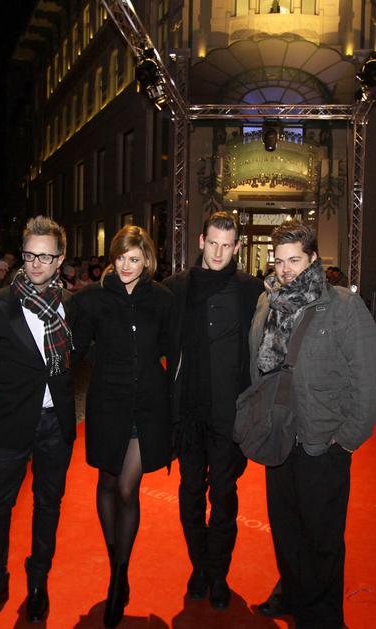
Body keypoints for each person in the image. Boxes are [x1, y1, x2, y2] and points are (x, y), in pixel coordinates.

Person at [249, 221, 376, 628]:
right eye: (280, 261)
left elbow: (367, 379)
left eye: (295, 260)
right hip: (279, 436)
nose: (286, 270)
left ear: (313, 259)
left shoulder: (342, 306)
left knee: (322, 537)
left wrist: (348, 439)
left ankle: (322, 618)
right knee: (286, 528)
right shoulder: (267, 302)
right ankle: (291, 593)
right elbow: (257, 366)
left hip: (323, 441)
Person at [0, 216, 76, 626]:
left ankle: (38, 583)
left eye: (45, 256)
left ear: (60, 259)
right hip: (7, 425)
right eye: (30, 255)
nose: (36, 264)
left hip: (55, 425)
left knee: (48, 506)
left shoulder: (71, 306)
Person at [72, 225, 173, 628]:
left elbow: (170, 347)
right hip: (107, 403)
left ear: (147, 259)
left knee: (128, 488)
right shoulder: (92, 299)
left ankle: (118, 577)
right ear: (112, 260)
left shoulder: (161, 299)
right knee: (107, 482)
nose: (127, 266)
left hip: (147, 404)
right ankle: (117, 560)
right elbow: (78, 348)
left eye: (135, 258)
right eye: (120, 258)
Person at [163, 211, 263, 609]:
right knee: (190, 494)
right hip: (189, 414)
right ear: (201, 241)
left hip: (230, 416)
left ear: (237, 247)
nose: (219, 253)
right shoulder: (175, 289)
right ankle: (199, 566)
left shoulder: (251, 290)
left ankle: (218, 572)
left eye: (227, 246)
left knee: (224, 497)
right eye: (213, 244)